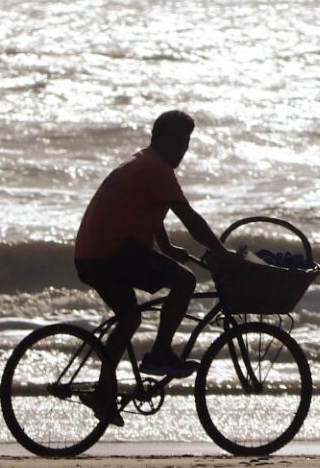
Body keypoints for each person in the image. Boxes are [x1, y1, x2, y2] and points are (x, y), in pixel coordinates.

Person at [73, 110, 236, 426]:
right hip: (110, 254)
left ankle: (104, 392)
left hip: (94, 254)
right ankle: (160, 353)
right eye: (178, 141)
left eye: (187, 143)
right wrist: (223, 253)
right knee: (184, 282)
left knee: (130, 318)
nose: (183, 149)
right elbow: (189, 218)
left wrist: (165, 246)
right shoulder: (157, 169)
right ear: (160, 139)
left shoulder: (144, 163)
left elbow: (150, 207)